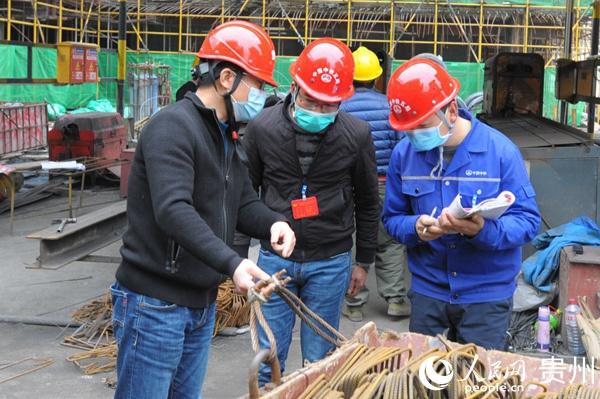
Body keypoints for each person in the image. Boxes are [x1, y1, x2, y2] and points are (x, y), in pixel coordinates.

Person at [110, 20, 296, 399]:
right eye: (258, 85)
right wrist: (233, 263)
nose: (262, 96)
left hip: (199, 302)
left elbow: (242, 203)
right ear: (227, 77)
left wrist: (275, 223)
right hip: (155, 304)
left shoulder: (225, 134)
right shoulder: (173, 127)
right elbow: (173, 210)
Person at [242, 38, 379, 385]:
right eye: (310, 101)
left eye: (328, 105)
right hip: (275, 260)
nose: (317, 111)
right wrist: (238, 259)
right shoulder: (262, 128)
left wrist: (363, 261)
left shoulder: (356, 134)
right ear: (293, 88)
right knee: (268, 356)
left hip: (330, 260)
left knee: (320, 361)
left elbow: (367, 200)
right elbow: (245, 195)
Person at [382, 58, 541, 350]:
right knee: (426, 385)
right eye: (409, 129)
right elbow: (392, 218)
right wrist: (415, 228)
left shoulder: (500, 151)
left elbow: (528, 221)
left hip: (486, 297)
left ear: (451, 111)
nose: (415, 135)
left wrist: (481, 230)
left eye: (422, 126)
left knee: (477, 386)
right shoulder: (404, 155)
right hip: (429, 293)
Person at [340, 46, 409, 322]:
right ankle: (395, 300)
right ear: (377, 77)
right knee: (389, 240)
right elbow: (402, 150)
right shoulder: (388, 107)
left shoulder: (340, 107)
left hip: (346, 186)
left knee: (348, 241)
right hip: (383, 184)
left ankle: (354, 301)